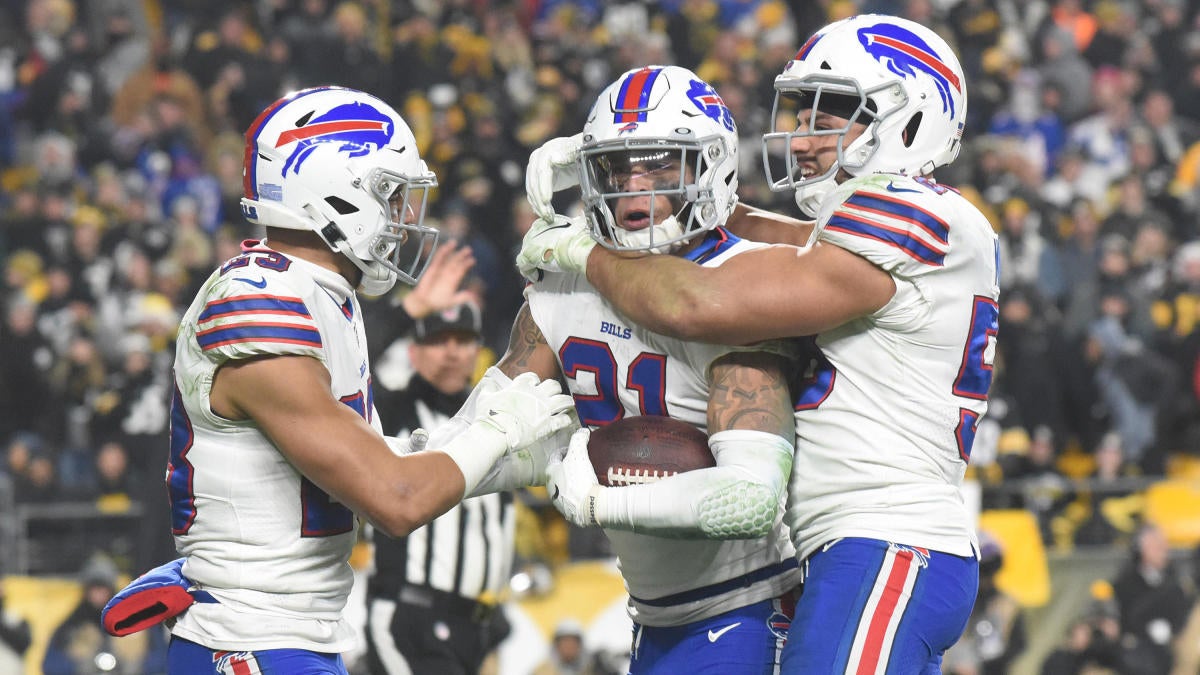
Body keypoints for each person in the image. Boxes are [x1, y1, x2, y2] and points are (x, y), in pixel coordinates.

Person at [521, 15, 996, 674]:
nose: (802, 140)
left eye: (830, 120)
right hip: (855, 545)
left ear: (909, 118)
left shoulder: (916, 210)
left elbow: (701, 303)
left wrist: (585, 249)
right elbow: (772, 236)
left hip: (888, 538)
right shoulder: (893, 226)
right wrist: (631, 163)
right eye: (801, 117)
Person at [103, 86, 577, 674]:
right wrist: (500, 434)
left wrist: (505, 459)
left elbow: (376, 460)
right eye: (392, 195)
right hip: (251, 642)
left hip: (286, 638)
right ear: (333, 193)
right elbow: (394, 499)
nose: (406, 217)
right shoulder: (258, 301)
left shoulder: (320, 293)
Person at [515, 65, 801, 674]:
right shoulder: (565, 280)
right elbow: (503, 419)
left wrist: (597, 502)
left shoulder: (747, 279)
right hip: (651, 617)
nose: (633, 189)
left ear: (708, 168)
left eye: (659, 167)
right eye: (617, 169)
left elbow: (750, 498)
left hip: (748, 606)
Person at [364, 301, 516, 675]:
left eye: (462, 340)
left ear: (479, 351)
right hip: (412, 617)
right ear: (413, 352)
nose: (451, 351)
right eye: (437, 340)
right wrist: (406, 311)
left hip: (479, 625)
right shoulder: (392, 413)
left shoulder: (497, 419)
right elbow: (347, 366)